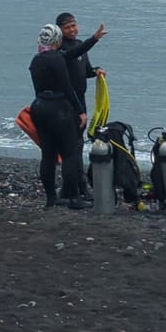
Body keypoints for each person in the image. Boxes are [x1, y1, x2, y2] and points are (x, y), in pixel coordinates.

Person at [29, 24, 94, 210]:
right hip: (59, 108)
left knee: (48, 155)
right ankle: (74, 198)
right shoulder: (58, 59)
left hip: (39, 106)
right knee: (69, 153)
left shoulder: (36, 60)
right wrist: (80, 111)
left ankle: (51, 198)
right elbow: (67, 88)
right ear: (57, 40)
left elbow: (37, 89)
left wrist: (93, 39)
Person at [56, 12, 107, 198]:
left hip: (81, 102)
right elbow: (71, 55)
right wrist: (93, 39)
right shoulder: (60, 48)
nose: (72, 30)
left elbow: (84, 71)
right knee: (71, 147)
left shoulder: (79, 46)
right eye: (68, 27)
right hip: (67, 105)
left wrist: (96, 71)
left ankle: (80, 185)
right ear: (60, 30)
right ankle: (72, 188)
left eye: (74, 26)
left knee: (78, 144)